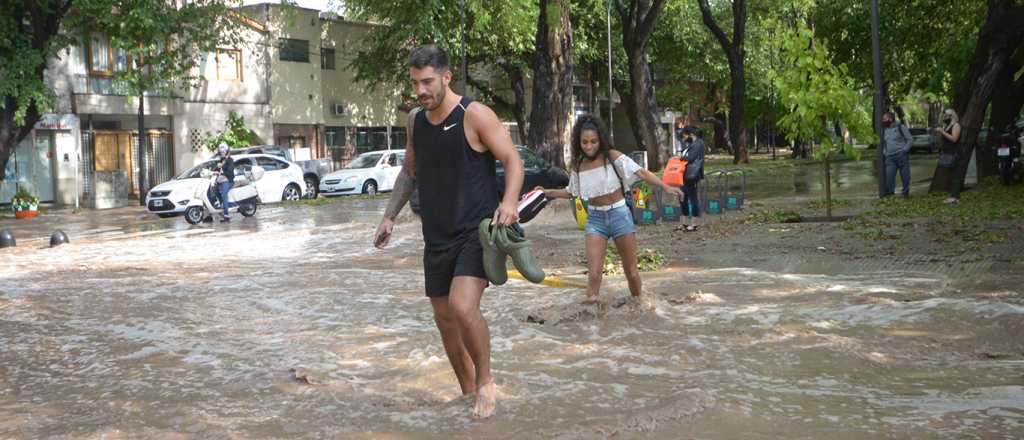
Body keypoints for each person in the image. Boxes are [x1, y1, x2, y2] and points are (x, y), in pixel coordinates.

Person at [372, 44, 523, 419]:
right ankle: (466, 390)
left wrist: (509, 203)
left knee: (461, 307)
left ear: (446, 77)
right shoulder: (416, 122)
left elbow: (512, 160)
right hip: (436, 236)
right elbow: (410, 172)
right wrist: (389, 215)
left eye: (427, 82)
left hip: (477, 232)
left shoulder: (474, 115)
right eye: (415, 83)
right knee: (444, 320)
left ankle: (486, 384)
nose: (420, 91)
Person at [536, 114, 683, 301]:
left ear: (601, 140)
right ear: (578, 142)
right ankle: (591, 322)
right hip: (595, 221)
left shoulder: (613, 157)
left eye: (593, 142)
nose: (589, 146)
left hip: (620, 215)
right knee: (595, 275)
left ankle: (640, 306)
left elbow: (641, 173)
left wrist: (665, 186)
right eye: (584, 142)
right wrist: (547, 192)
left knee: (631, 272)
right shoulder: (579, 165)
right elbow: (571, 192)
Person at [677, 126, 705, 231]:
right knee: (682, 198)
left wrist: (679, 158)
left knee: (693, 199)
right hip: (684, 175)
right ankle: (684, 223)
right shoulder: (690, 144)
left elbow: (691, 158)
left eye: (684, 134)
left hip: (692, 175)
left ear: (690, 134)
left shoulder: (698, 143)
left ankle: (694, 224)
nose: (683, 136)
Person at [933, 108, 962, 204]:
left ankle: (955, 197)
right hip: (947, 153)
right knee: (950, 175)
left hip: (954, 153)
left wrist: (942, 132)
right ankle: (954, 196)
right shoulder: (948, 125)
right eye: (944, 115)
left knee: (955, 175)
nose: (944, 117)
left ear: (952, 116)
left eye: (946, 115)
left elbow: (954, 139)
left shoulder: (956, 125)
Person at [882, 112, 913, 198]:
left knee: (905, 176)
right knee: (889, 177)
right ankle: (891, 193)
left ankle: (905, 193)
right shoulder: (885, 130)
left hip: (901, 155)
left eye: (884, 119)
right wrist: (885, 151)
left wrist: (904, 150)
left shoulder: (901, 127)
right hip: (890, 158)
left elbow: (910, 140)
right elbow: (885, 143)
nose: (883, 121)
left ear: (890, 119)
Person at [214, 143, 235, 222]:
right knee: (214, 191)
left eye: (223, 152)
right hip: (220, 181)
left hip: (228, 181)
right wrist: (214, 171)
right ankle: (222, 205)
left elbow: (230, 172)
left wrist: (222, 168)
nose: (222, 153)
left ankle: (226, 215)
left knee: (224, 195)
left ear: (226, 151)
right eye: (221, 152)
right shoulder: (221, 160)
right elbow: (216, 169)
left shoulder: (230, 160)